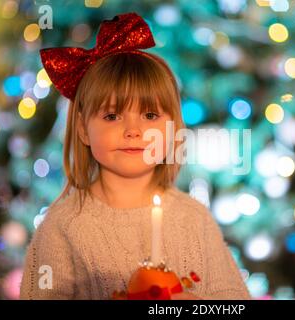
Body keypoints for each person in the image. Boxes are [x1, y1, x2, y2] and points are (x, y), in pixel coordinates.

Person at [19, 12, 251, 300]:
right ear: (82, 129)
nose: (133, 130)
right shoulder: (63, 227)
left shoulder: (194, 219)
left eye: (150, 114)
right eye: (112, 115)